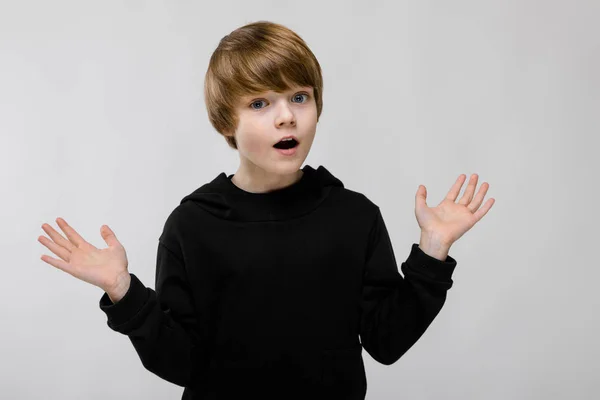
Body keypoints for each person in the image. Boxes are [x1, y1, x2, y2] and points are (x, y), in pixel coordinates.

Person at [38, 20, 494, 400]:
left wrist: (431, 253)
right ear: (225, 123)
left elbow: (385, 342)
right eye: (260, 103)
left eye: (299, 97)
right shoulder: (192, 226)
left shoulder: (355, 217)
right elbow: (181, 362)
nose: (286, 117)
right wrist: (124, 291)